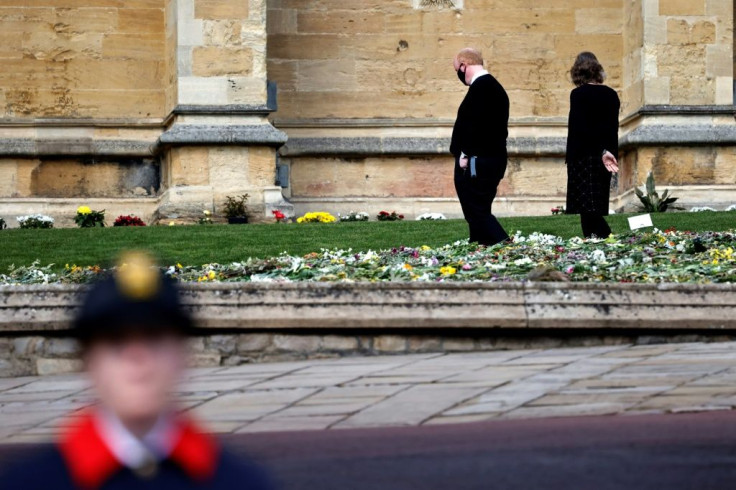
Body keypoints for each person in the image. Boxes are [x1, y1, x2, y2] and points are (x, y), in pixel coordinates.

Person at [3, 252, 274, 490]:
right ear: (88, 361)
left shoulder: (241, 483)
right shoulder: (28, 483)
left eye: (154, 338)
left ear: (183, 355)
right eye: (117, 341)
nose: (138, 357)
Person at [450, 47, 510, 247]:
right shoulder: (492, 87)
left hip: (477, 162)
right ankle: (479, 246)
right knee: (478, 209)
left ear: (463, 66)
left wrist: (465, 153)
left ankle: (504, 244)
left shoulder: (482, 88)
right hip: (489, 160)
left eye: (457, 69)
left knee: (476, 209)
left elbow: (475, 126)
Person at [565, 51, 620, 239]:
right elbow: (613, 128)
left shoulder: (578, 95)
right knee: (593, 205)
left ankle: (604, 237)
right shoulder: (611, 94)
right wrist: (608, 151)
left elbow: (579, 128)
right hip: (605, 157)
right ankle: (592, 240)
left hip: (583, 156)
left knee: (586, 208)